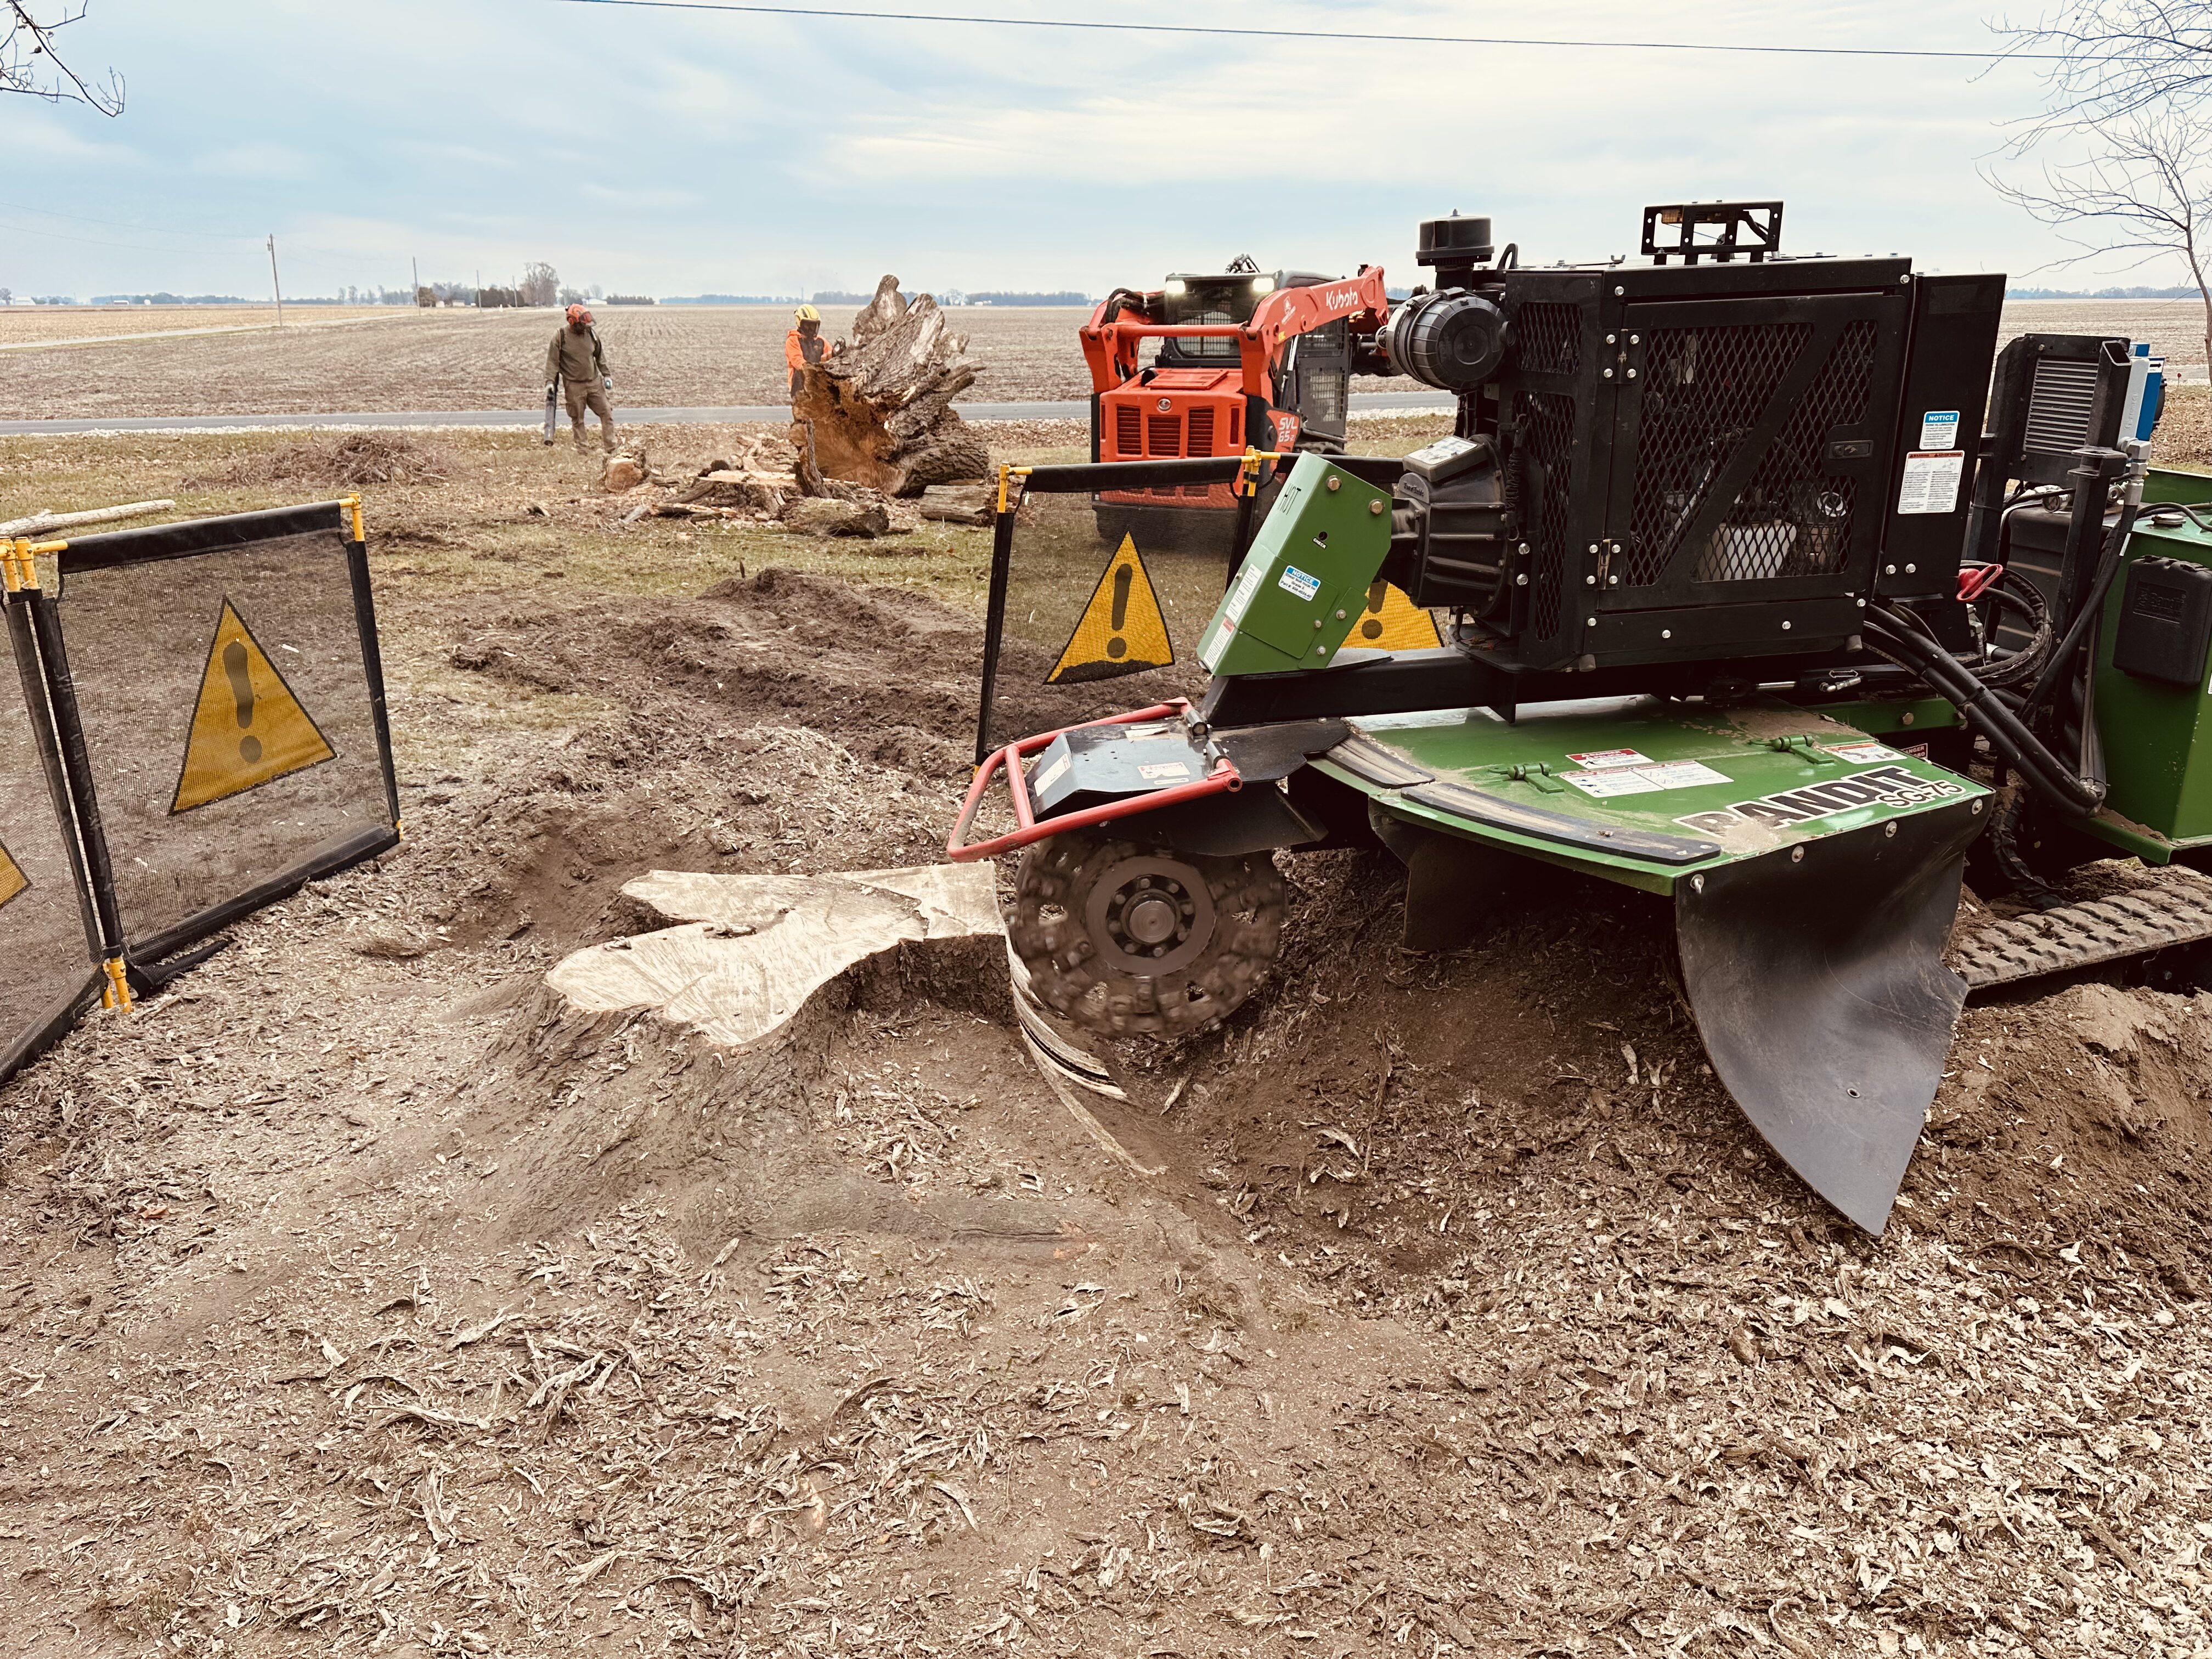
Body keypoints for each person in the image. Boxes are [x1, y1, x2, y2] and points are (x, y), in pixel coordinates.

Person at [545, 303, 615, 453]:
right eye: (582, 323)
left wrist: (607, 375)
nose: (585, 326)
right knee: (578, 419)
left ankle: (611, 448)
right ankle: (583, 451)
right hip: (574, 386)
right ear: (572, 321)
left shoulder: (592, 335)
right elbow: (552, 363)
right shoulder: (560, 337)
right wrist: (550, 382)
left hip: (594, 383)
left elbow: (600, 357)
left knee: (607, 413)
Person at [785, 304, 837, 400]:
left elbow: (826, 358)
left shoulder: (821, 341)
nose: (811, 329)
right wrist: (813, 370)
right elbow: (798, 362)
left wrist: (835, 354)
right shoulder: (793, 340)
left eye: (813, 326)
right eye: (808, 325)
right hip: (799, 387)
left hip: (818, 385)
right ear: (800, 323)